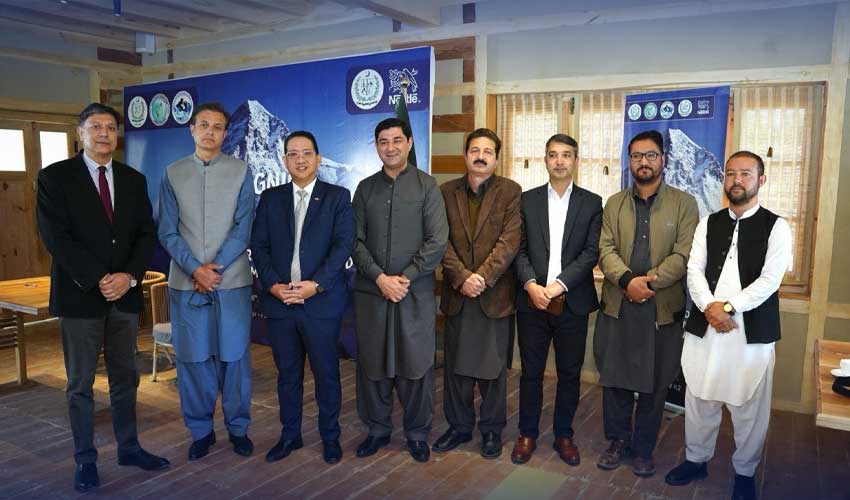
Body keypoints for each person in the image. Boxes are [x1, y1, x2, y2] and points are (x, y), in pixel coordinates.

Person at [36, 103, 170, 492]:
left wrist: (129, 277)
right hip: (80, 297)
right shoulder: (55, 177)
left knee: (125, 377)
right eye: (95, 127)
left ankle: (129, 448)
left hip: (124, 297)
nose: (104, 134)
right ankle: (85, 460)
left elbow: (145, 234)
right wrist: (98, 279)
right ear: (80, 133)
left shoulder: (132, 179)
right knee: (80, 384)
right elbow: (56, 237)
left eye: (110, 127)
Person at [665, 151, 791, 500]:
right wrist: (710, 307)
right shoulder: (708, 223)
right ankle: (696, 459)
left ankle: (745, 473)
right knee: (700, 396)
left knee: (749, 406)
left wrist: (729, 308)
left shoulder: (777, 227)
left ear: (761, 180)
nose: (737, 180)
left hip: (750, 332)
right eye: (731, 173)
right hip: (706, 323)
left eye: (746, 174)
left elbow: (770, 280)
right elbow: (693, 269)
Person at [593, 130, 699, 477]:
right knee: (616, 379)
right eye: (637, 156)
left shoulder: (684, 204)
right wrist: (627, 281)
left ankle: (643, 450)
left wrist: (648, 283)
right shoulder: (614, 203)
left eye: (651, 155)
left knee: (655, 383)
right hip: (618, 304)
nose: (644, 162)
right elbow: (605, 249)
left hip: (660, 308)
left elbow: (684, 254)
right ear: (629, 161)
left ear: (663, 160)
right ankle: (617, 442)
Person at [158, 102, 255, 461]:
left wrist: (213, 269)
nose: (210, 132)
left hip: (232, 282)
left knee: (235, 358)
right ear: (192, 129)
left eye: (217, 126)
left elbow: (244, 226)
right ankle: (201, 431)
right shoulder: (172, 173)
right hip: (186, 284)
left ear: (226, 133)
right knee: (193, 359)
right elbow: (167, 231)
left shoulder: (241, 171)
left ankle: (238, 428)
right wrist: (194, 269)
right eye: (204, 125)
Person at [250, 131, 355, 465]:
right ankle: (290, 435)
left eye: (306, 153)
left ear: (318, 158)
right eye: (292, 154)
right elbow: (259, 246)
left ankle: (330, 437)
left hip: (320, 304)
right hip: (280, 303)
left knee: (327, 375)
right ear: (284, 160)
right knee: (288, 376)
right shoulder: (270, 198)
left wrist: (316, 285)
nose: (300, 159)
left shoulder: (337, 197)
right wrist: (273, 286)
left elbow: (343, 245)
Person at [352, 117, 449, 463]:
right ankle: (377, 430)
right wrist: (380, 278)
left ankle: (417, 434)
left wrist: (403, 278)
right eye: (383, 142)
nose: (390, 147)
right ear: (376, 147)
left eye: (396, 140)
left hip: (414, 294)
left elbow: (437, 241)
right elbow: (354, 240)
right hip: (372, 293)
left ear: (409, 143)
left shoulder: (427, 186)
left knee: (416, 364)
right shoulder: (365, 189)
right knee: (373, 363)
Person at [511, 134, 602, 466]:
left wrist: (558, 286)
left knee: (569, 374)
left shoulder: (592, 203)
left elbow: (591, 253)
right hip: (532, 301)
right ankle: (527, 434)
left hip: (572, 303)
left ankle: (564, 435)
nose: (559, 161)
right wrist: (531, 284)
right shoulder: (527, 200)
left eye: (566, 155)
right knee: (530, 373)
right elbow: (518, 249)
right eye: (553, 155)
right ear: (545, 160)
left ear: (575, 160)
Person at [433, 128, 521, 459]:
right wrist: (462, 277)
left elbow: (510, 242)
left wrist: (481, 278)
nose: (480, 156)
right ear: (465, 154)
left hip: (493, 296)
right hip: (458, 295)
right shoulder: (445, 192)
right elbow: (439, 240)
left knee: (492, 371)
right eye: (475, 150)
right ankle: (458, 427)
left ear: (496, 158)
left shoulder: (510, 191)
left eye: (487, 151)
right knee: (456, 369)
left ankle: (491, 430)